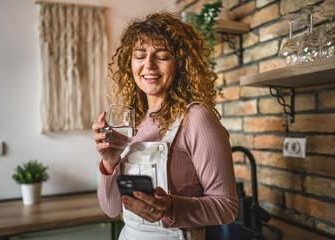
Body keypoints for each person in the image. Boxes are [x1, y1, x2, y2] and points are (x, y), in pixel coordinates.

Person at [92, 12, 238, 240]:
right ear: (130, 62)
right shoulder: (131, 121)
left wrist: (171, 207)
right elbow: (111, 209)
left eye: (161, 56)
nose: (148, 65)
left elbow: (227, 207)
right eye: (140, 56)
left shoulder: (197, 118)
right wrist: (110, 163)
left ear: (180, 63)